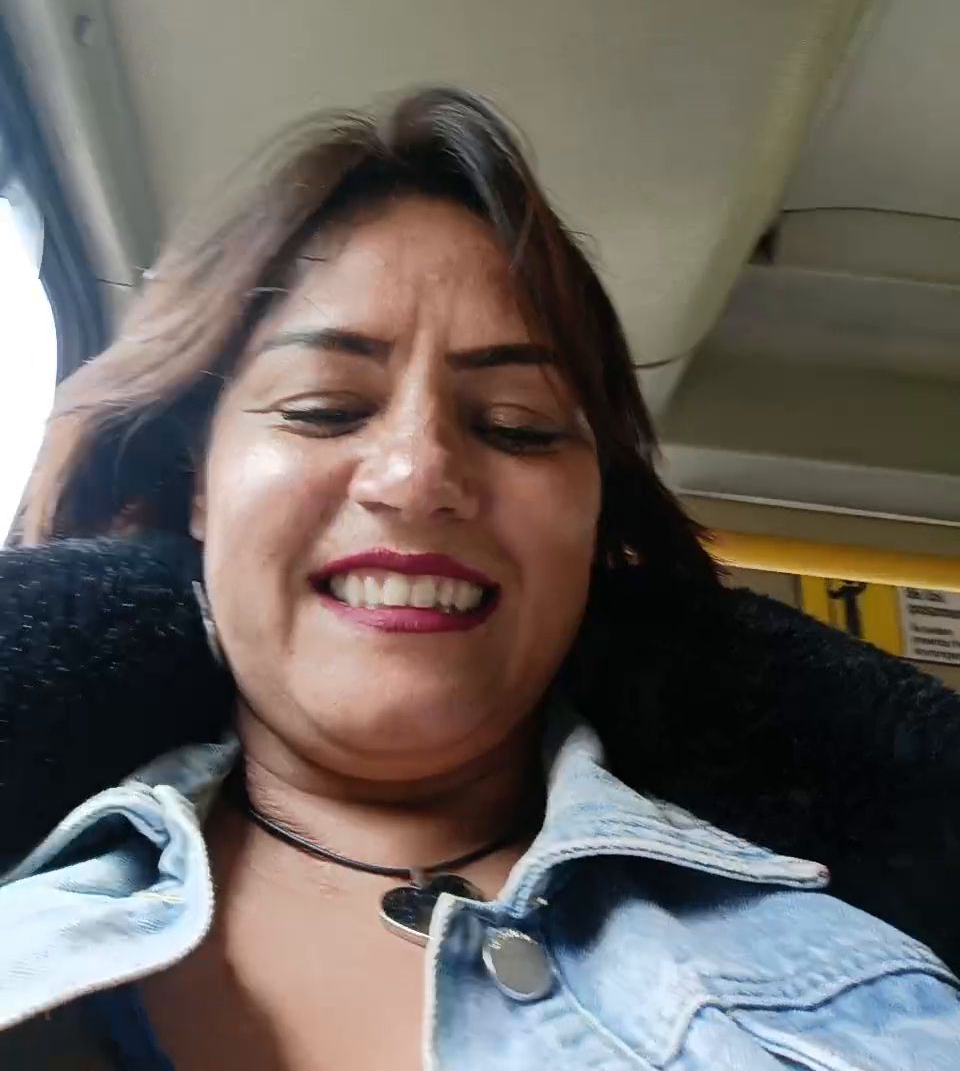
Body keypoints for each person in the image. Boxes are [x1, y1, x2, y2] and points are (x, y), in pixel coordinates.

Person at [1, 87, 959, 1069]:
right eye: (325, 408)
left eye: (516, 426)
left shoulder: (879, 999)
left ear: (595, 529)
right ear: (197, 486)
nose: (418, 476)